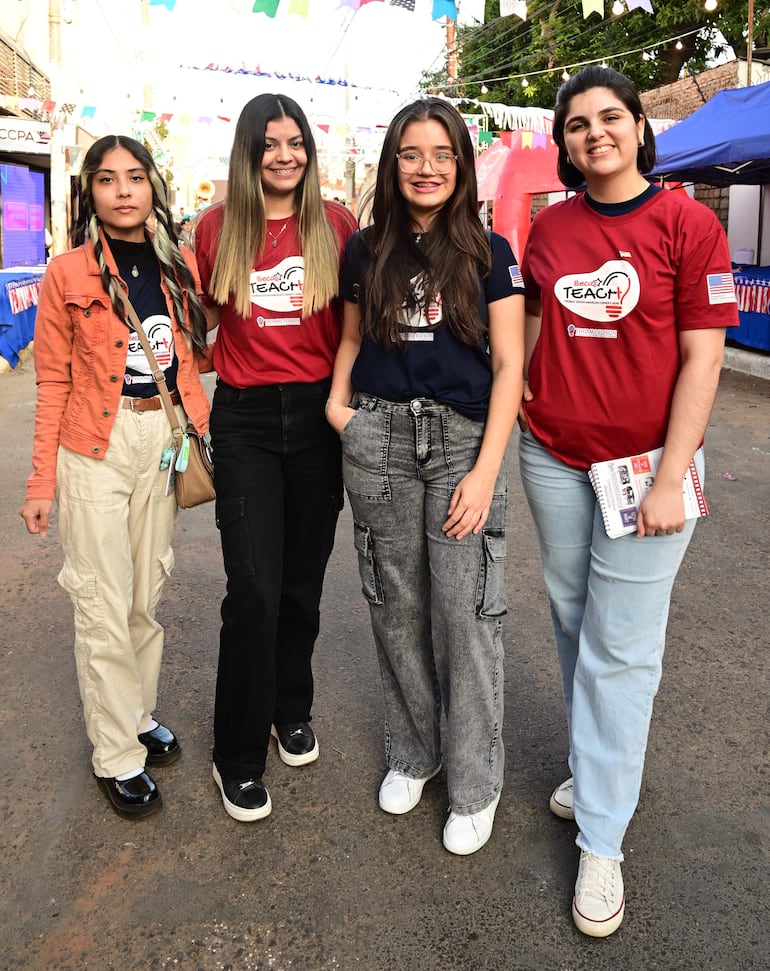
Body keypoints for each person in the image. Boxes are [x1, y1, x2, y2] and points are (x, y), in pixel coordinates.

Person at [517, 67, 739, 936]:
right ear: (565, 144)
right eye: (576, 125)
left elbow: (705, 357)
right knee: (575, 622)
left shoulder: (685, 222)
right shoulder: (552, 228)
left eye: (610, 117)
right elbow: (533, 322)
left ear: (639, 127)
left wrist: (670, 472)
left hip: (648, 470)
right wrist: (528, 397)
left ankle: (603, 839)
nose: (594, 134)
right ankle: (591, 761)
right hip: (555, 460)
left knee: (623, 650)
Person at [326, 98, 525, 855]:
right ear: (392, 161)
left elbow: (509, 367)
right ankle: (415, 752)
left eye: (442, 153)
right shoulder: (366, 247)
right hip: (376, 434)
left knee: (467, 612)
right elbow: (349, 338)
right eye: (412, 153)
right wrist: (341, 410)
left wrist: (483, 470)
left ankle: (475, 783)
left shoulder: (490, 251)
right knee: (393, 600)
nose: (427, 167)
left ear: (462, 163)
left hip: (458, 444)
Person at [19, 135, 212, 819]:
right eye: (108, 179)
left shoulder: (178, 265)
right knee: (101, 599)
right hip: (92, 445)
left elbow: (197, 352)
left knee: (145, 589)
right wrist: (42, 481)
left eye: (135, 177)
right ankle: (116, 753)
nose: (124, 190)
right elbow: (51, 380)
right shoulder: (66, 273)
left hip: (159, 439)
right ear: (90, 193)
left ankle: (135, 713)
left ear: (152, 187)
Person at [194, 94, 357, 822]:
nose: (285, 155)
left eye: (296, 143)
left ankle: (291, 705)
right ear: (249, 151)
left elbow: (358, 330)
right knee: (253, 587)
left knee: (300, 584)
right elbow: (195, 323)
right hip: (246, 420)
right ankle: (237, 751)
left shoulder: (339, 224)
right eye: (270, 144)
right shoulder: (215, 228)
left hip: (320, 415)